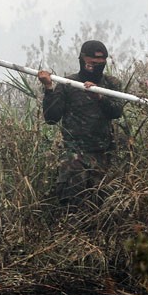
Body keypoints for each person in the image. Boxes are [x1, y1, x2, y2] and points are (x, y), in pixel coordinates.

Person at [37, 40, 124, 207]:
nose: (96, 67)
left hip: (103, 155)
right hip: (74, 155)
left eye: (101, 63)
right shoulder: (67, 85)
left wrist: (99, 97)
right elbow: (51, 118)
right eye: (92, 63)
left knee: (102, 208)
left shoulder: (111, 84)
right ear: (83, 60)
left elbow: (116, 112)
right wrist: (48, 88)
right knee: (73, 206)